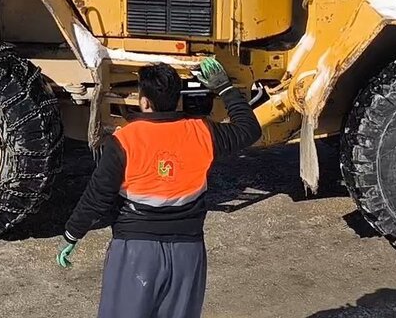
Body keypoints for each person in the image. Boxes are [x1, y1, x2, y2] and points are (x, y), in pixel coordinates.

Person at [57, 58, 261, 318]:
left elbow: (98, 196)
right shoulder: (202, 132)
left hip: (135, 253)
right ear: (177, 100)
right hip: (188, 252)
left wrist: (72, 235)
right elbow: (249, 130)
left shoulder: (124, 141)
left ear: (144, 101)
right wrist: (225, 88)